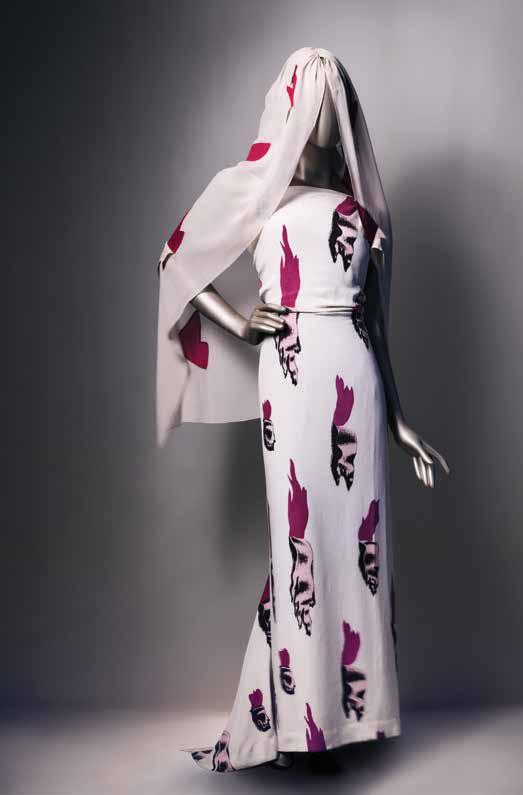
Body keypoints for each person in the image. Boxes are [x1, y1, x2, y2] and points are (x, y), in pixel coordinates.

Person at [155, 46, 450, 773]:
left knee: (355, 545)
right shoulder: (254, 192)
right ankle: (297, 723)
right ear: (289, 102)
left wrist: (399, 421)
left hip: (354, 372)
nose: (323, 112)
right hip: (288, 379)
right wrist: (237, 322)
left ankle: (339, 723)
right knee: (301, 544)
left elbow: (373, 321)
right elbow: (176, 259)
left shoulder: (362, 210)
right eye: (311, 93)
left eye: (333, 95)